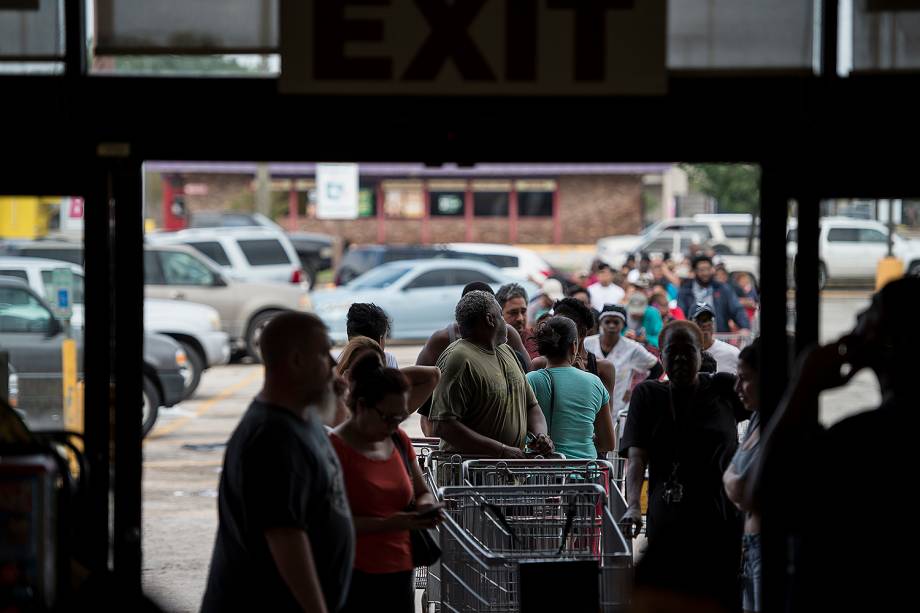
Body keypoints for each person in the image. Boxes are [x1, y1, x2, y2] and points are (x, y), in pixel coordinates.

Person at [753, 278, 920, 612]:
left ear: (885, 338)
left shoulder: (866, 440)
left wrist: (805, 383)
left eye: (871, 311)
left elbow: (768, 498)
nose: (858, 317)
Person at [201, 313, 353, 613]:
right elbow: (285, 538)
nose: (334, 366)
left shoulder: (302, 416)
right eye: (324, 354)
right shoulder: (271, 437)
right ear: (296, 361)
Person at [620, 321, 747, 613]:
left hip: (721, 514)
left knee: (722, 594)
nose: (679, 358)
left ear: (701, 354)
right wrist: (631, 505)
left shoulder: (723, 388)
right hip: (669, 515)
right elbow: (637, 458)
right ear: (661, 356)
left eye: (687, 350)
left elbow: (759, 408)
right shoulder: (649, 396)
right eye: (671, 352)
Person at [330, 353, 442, 613]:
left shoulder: (399, 440)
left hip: (400, 569)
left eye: (400, 418)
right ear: (360, 406)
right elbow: (328, 522)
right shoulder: (334, 450)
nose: (394, 425)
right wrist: (390, 524)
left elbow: (422, 491)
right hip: (353, 575)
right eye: (387, 418)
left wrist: (427, 506)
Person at [428, 290, 554, 457]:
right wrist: (500, 450)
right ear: (490, 319)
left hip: (509, 474)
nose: (505, 322)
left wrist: (541, 436)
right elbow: (442, 425)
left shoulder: (507, 351)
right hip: (472, 477)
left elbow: (531, 405)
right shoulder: (458, 358)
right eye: (501, 316)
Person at [415, 282, 532, 436]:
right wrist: (436, 445)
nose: (519, 318)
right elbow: (427, 406)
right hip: (467, 455)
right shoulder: (451, 350)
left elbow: (530, 386)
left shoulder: (507, 342)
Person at [525, 316, 615, 459]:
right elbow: (608, 443)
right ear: (574, 346)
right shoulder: (595, 383)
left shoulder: (531, 380)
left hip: (541, 474)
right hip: (586, 473)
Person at [722, 340, 762, 613]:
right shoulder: (757, 418)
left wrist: (732, 480)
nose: (737, 389)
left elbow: (742, 488)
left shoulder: (780, 424)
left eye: (745, 379)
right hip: (749, 546)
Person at [333, 336, 440, 425]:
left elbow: (433, 375)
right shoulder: (333, 408)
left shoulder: (386, 408)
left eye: (375, 371)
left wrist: (386, 378)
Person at [584, 305, 661, 418]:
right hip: (588, 405)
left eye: (616, 322)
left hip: (618, 408)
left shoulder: (632, 348)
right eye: (607, 321)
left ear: (623, 325)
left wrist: (636, 390)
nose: (611, 325)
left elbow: (657, 368)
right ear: (600, 323)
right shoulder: (587, 344)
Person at [538, 298, 617, 408]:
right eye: (554, 327)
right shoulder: (540, 364)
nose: (557, 334)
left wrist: (583, 379)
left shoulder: (603, 368)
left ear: (583, 332)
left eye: (565, 329)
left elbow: (604, 417)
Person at [678, 256, 750, 333]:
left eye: (708, 269)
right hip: (694, 336)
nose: (705, 273)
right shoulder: (686, 290)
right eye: (702, 270)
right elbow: (680, 313)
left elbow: (737, 309)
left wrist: (744, 327)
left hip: (719, 336)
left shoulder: (723, 288)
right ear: (695, 271)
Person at [689, 302, 740, 374]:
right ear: (690, 324)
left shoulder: (732, 353)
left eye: (708, 319)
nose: (705, 324)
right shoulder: (685, 355)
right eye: (699, 320)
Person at [346, 303, 399, 368]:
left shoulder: (337, 367)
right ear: (380, 339)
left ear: (349, 339)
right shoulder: (389, 361)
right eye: (385, 337)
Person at [496, 282, 539, 359]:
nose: (520, 318)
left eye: (523, 311)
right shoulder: (491, 344)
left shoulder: (535, 341)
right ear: (499, 314)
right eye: (513, 313)